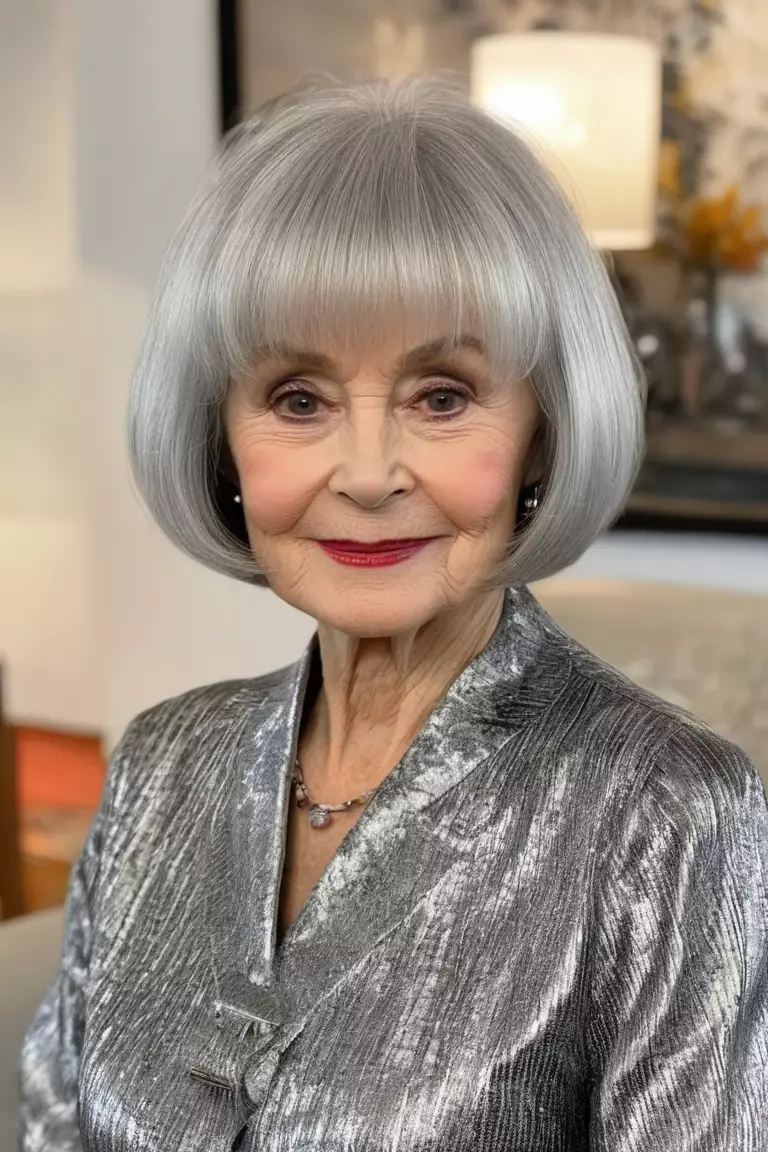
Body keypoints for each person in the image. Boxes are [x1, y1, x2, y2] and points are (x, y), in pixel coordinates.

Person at [19, 75, 768, 1151]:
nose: (368, 474)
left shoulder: (671, 816)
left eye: (443, 396)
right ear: (221, 440)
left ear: (540, 436)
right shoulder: (160, 762)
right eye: (298, 400)